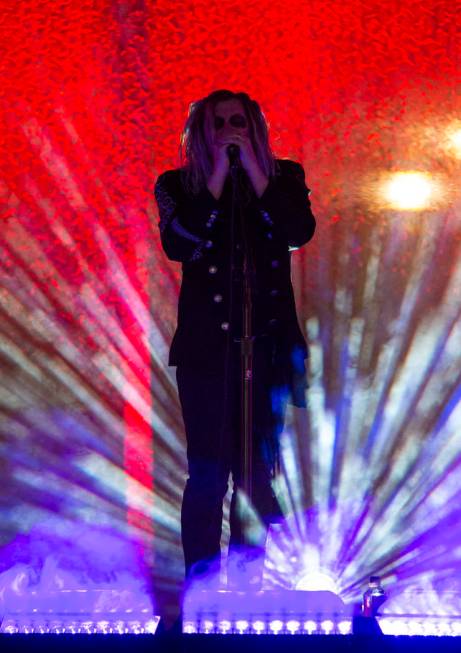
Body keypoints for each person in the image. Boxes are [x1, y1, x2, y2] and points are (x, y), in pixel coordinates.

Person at [154, 89, 316, 588]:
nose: (230, 130)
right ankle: (202, 587)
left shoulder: (285, 177)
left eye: (239, 121)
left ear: (255, 127)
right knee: (208, 473)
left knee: (255, 477)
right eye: (220, 123)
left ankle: (247, 588)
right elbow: (179, 242)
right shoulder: (177, 185)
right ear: (202, 132)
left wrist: (253, 168)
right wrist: (221, 175)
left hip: (265, 347)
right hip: (208, 353)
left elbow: (298, 228)